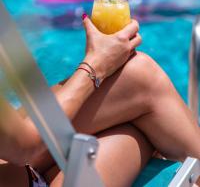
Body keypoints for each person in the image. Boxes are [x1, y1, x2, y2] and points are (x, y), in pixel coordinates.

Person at [1, 15, 200, 187]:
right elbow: (23, 149)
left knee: (134, 82)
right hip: (24, 162)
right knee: (138, 118)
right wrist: (96, 65)